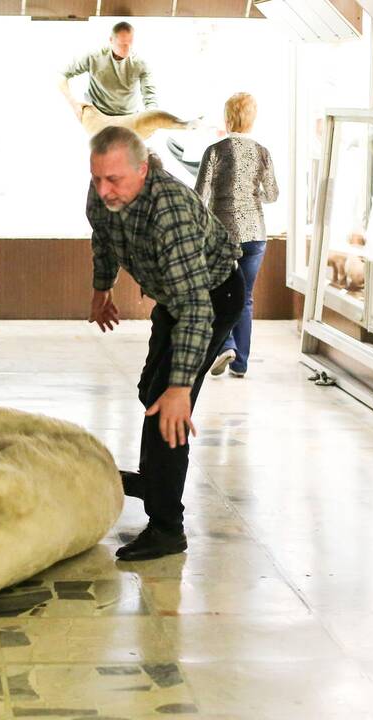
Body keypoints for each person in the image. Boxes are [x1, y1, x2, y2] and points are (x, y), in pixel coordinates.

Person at [86, 126, 243, 561]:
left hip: (211, 296)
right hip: (174, 296)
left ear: (143, 169)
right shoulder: (102, 190)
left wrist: (180, 389)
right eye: (97, 178)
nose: (103, 189)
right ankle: (153, 480)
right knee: (149, 391)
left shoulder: (167, 208)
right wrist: (103, 290)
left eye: (113, 179)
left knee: (166, 408)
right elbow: (103, 237)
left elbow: (196, 307)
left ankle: (167, 526)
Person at [197, 93, 279, 378]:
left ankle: (225, 345)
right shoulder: (262, 152)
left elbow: (200, 195)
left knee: (218, 292)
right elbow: (272, 195)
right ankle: (240, 363)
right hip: (255, 234)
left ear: (228, 118)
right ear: (252, 119)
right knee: (244, 298)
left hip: (222, 234)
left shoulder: (215, 151)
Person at [59, 21, 157, 121]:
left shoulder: (140, 63)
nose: (127, 49)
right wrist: (73, 103)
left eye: (130, 43)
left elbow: (150, 95)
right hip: (98, 114)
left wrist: (152, 116)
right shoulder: (94, 56)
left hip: (128, 117)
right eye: (122, 45)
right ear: (111, 40)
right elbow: (61, 75)